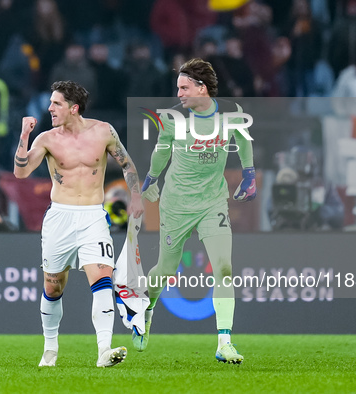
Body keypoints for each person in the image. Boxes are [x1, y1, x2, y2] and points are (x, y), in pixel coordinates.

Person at [13, 80, 144, 367]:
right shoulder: (46, 139)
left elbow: (127, 163)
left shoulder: (103, 131)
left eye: (56, 103)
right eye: (50, 103)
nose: (49, 108)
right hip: (59, 217)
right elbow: (21, 172)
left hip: (93, 217)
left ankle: (104, 351)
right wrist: (24, 135)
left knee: (102, 280)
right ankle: (50, 349)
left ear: (73, 108)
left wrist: (136, 195)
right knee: (53, 287)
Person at [136, 58, 256, 364]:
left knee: (224, 269)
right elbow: (162, 149)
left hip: (213, 201)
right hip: (176, 204)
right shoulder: (173, 118)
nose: (178, 93)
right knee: (163, 270)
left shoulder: (231, 113)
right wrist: (150, 179)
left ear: (202, 88)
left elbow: (242, 140)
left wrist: (249, 174)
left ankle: (224, 342)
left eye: (183, 87)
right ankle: (146, 310)